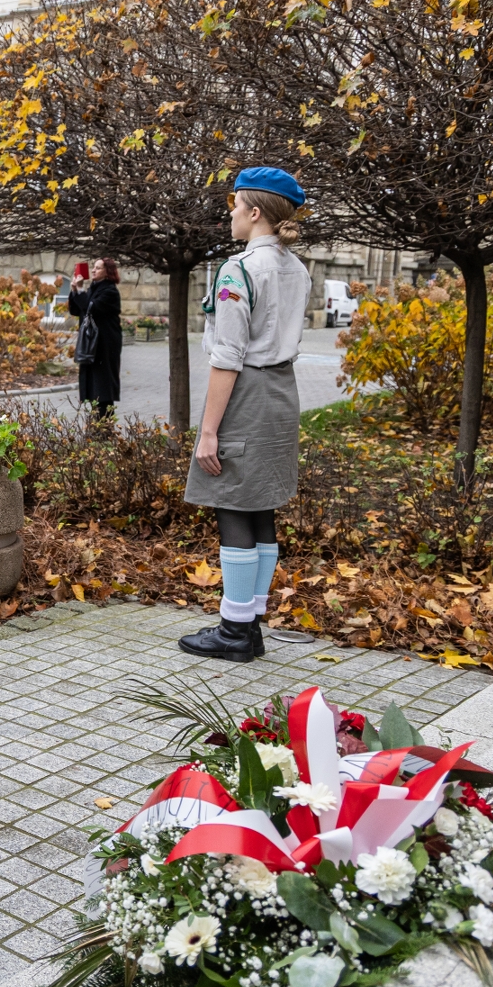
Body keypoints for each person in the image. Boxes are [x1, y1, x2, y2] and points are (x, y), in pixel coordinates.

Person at [179, 168, 311, 665]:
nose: (230, 214)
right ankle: (249, 621)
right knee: (262, 506)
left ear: (255, 212)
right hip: (282, 392)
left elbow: (227, 357)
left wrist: (208, 431)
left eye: (235, 206)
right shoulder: (297, 268)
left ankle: (234, 631)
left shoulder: (237, 270)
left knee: (232, 501)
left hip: (247, 393)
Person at [68, 258, 123, 428]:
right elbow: (77, 310)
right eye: (93, 267)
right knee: (92, 386)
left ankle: (104, 430)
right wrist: (74, 291)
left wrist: (80, 291)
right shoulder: (93, 288)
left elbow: (92, 308)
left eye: (98, 268)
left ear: (108, 272)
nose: (93, 270)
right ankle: (95, 428)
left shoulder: (110, 292)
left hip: (105, 346)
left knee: (103, 387)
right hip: (91, 345)